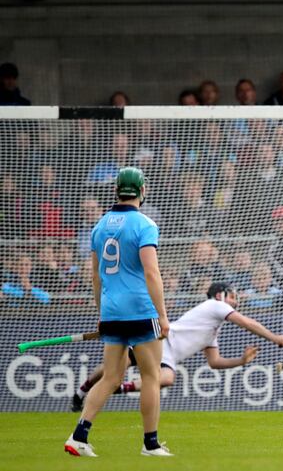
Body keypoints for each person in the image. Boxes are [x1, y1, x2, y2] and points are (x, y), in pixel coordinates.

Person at [64, 167, 171, 457]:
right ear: (142, 191)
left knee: (110, 377)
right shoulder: (146, 224)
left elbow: (95, 276)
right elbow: (151, 271)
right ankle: (150, 444)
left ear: (117, 191)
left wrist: (102, 313)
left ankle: (78, 436)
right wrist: (162, 314)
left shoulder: (99, 226)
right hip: (140, 309)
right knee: (151, 376)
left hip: (111, 310)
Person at [71, 282, 283, 411]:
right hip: (162, 341)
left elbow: (215, 363)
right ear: (219, 296)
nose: (236, 300)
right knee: (122, 369)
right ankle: (85, 390)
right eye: (232, 296)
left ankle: (102, 390)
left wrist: (241, 361)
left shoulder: (212, 328)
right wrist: (275, 338)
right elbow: (246, 323)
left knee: (127, 370)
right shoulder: (215, 306)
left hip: (163, 346)